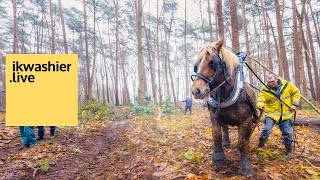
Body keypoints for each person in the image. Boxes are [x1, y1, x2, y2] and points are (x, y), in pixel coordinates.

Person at [256, 74, 300, 157]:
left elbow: (296, 93)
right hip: (271, 113)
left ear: (276, 79)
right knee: (267, 129)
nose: (271, 84)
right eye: (269, 82)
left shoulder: (287, 85)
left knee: (287, 132)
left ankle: (289, 151)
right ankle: (260, 145)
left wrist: (295, 104)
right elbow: (260, 99)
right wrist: (260, 106)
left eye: (272, 81)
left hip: (285, 114)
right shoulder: (265, 89)